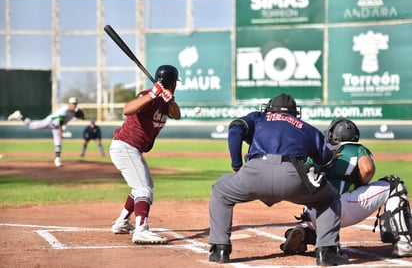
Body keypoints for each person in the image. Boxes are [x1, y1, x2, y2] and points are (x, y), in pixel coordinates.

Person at [208, 93, 349, 266]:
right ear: (294, 112)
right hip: (293, 176)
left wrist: (237, 165)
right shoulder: (306, 127)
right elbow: (327, 164)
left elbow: (235, 127)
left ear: (269, 109)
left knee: (221, 192)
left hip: (254, 172)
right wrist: (330, 157)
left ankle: (219, 249)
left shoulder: (259, 118)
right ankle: (327, 252)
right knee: (329, 198)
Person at [280, 118, 412, 257]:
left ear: (332, 134)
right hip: (345, 207)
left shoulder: (321, 150)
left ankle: (305, 230)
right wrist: (360, 182)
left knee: (316, 199)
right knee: (394, 185)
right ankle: (404, 242)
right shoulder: (358, 149)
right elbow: (367, 169)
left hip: (315, 211)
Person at [109, 65, 181, 245]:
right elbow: (127, 109)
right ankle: (141, 230)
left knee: (145, 185)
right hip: (125, 147)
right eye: (175, 83)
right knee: (143, 189)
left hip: (133, 149)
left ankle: (122, 222)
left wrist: (170, 100)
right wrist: (153, 94)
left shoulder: (166, 100)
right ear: (172, 82)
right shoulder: (147, 95)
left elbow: (177, 115)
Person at [8, 97, 85, 167]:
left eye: (75, 104)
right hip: (50, 121)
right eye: (73, 103)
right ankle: (19, 116)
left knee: (58, 142)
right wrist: (61, 133)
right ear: (69, 103)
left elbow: (82, 118)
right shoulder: (64, 110)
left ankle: (57, 159)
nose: (74, 105)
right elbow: (61, 122)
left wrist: (81, 114)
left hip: (56, 127)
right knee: (31, 126)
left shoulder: (74, 112)